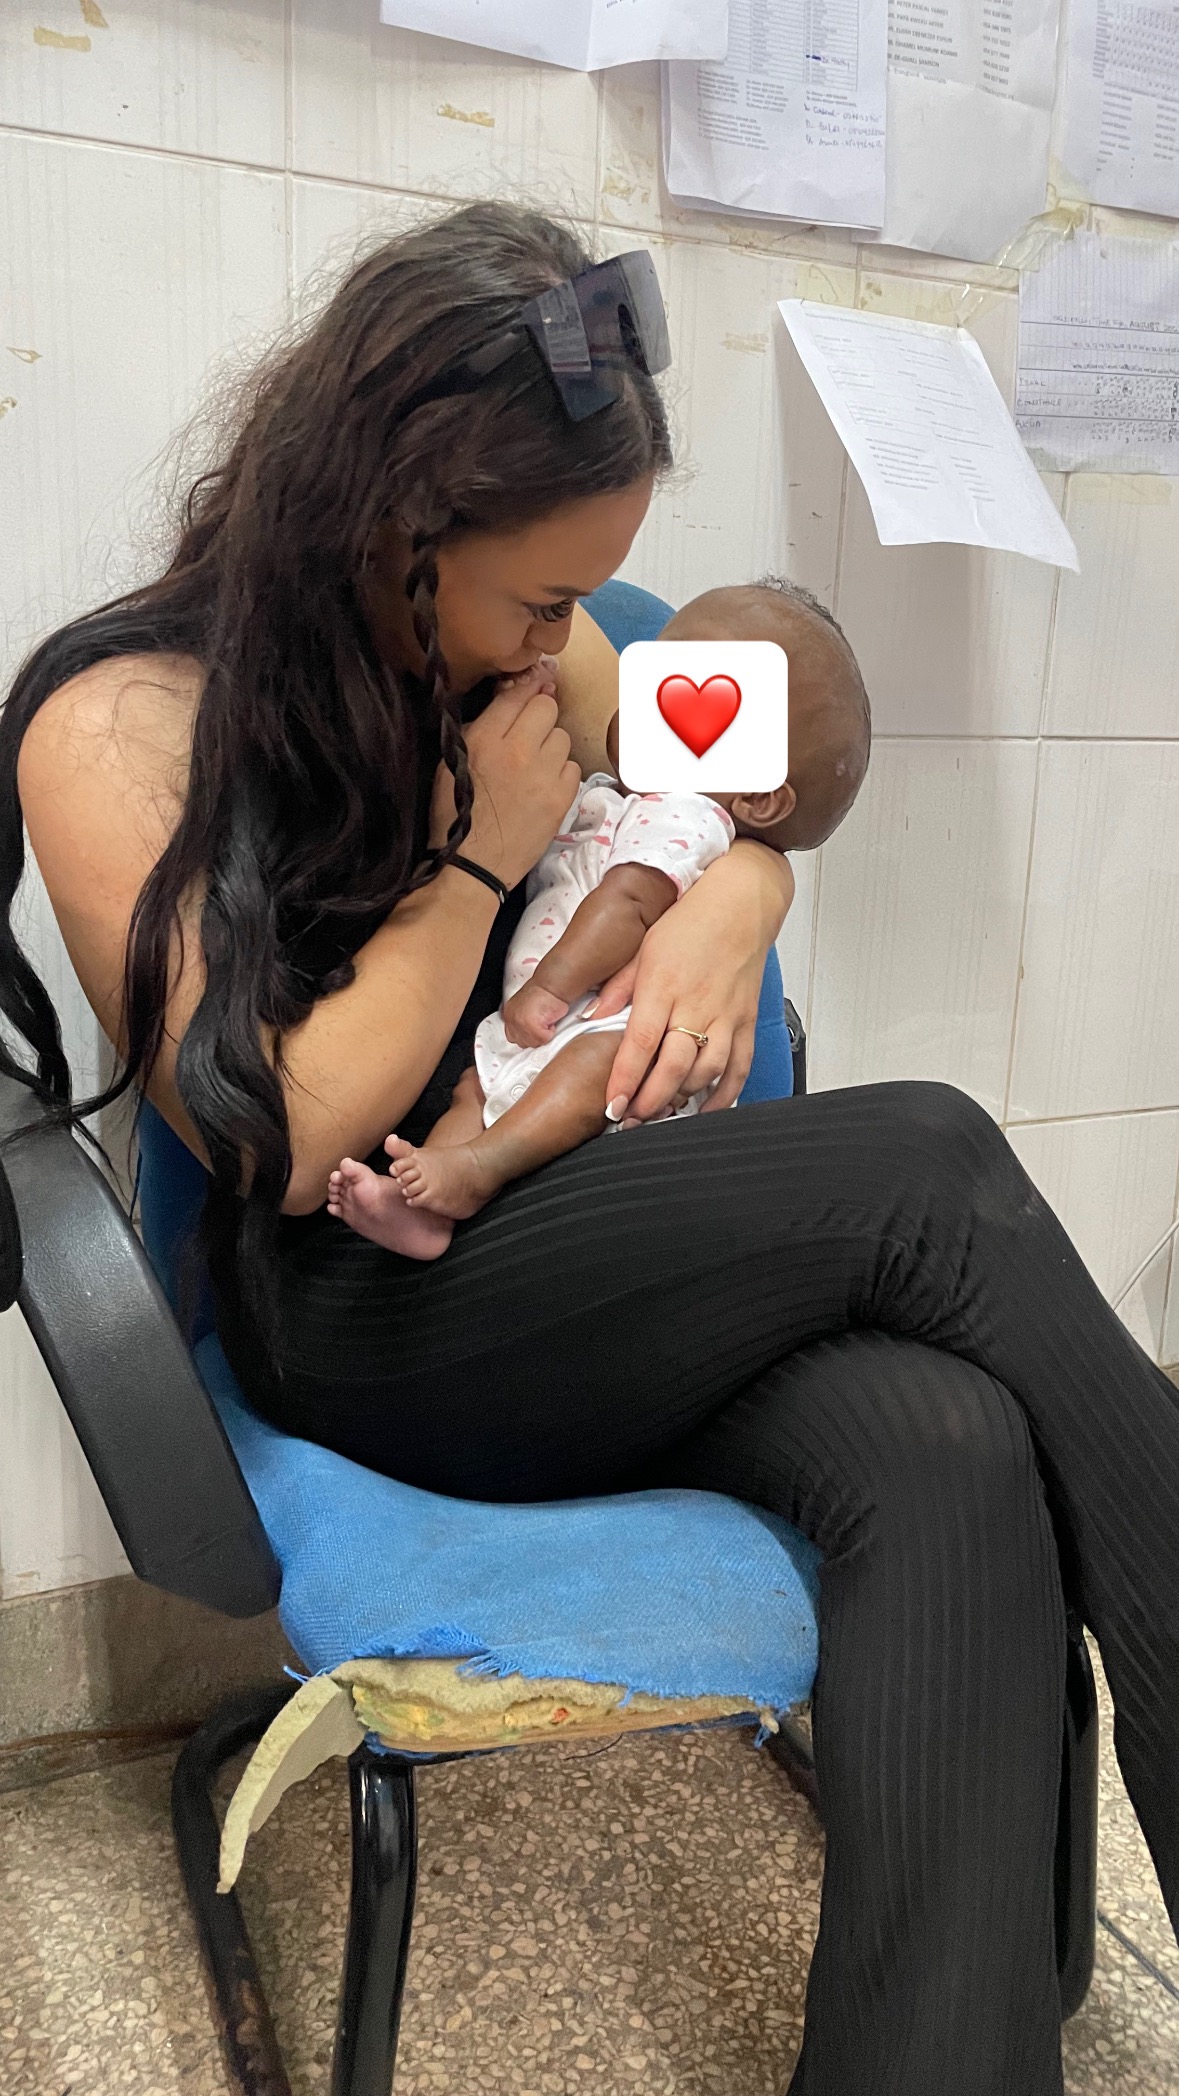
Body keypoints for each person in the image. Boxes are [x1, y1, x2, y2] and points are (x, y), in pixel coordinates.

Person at [2, 200, 1177, 2096]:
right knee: (932, 1159)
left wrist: (738, 900)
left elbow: (761, 777)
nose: (580, 649)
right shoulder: (118, 719)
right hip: (360, 1301)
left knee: (943, 1441)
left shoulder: (537, 652)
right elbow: (280, 1137)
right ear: (390, 526)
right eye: (545, 603)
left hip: (580, 1257)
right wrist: (485, 857)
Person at [327, 579, 870, 1258]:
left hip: (606, 1030)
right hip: (559, 1023)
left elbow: (626, 905)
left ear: (757, 797)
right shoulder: (622, 798)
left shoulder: (682, 817)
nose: (634, 703)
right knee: (476, 1089)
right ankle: (427, 1202)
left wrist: (549, 987)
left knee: (587, 1070)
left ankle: (476, 1169)